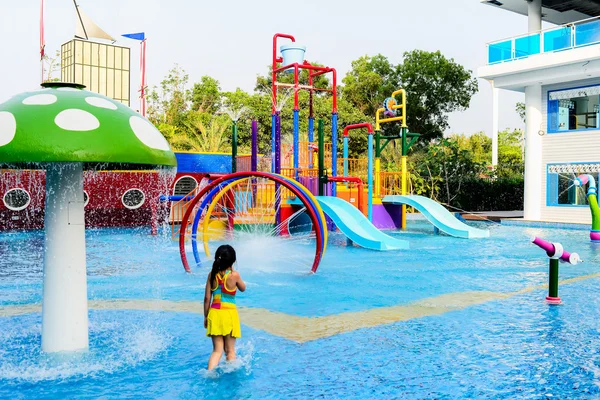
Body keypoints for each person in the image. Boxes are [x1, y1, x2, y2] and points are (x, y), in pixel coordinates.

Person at [204, 244, 246, 370]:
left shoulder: (212, 275)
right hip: (229, 315)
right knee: (230, 351)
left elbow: (207, 299)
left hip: (215, 314)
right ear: (233, 260)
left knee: (217, 351)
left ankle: (210, 373)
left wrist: (206, 317)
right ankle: (231, 374)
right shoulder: (234, 275)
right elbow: (243, 288)